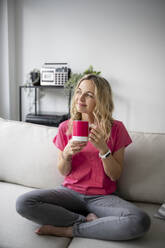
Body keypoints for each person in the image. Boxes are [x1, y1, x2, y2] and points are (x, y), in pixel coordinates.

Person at [16, 74, 151, 241]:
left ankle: (69, 230)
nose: (80, 98)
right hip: (69, 193)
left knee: (140, 221)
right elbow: (64, 172)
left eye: (89, 94)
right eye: (79, 92)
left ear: (101, 100)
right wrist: (66, 154)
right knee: (23, 203)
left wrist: (103, 149)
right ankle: (84, 221)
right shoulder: (65, 127)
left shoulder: (116, 129)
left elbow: (115, 175)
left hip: (103, 197)